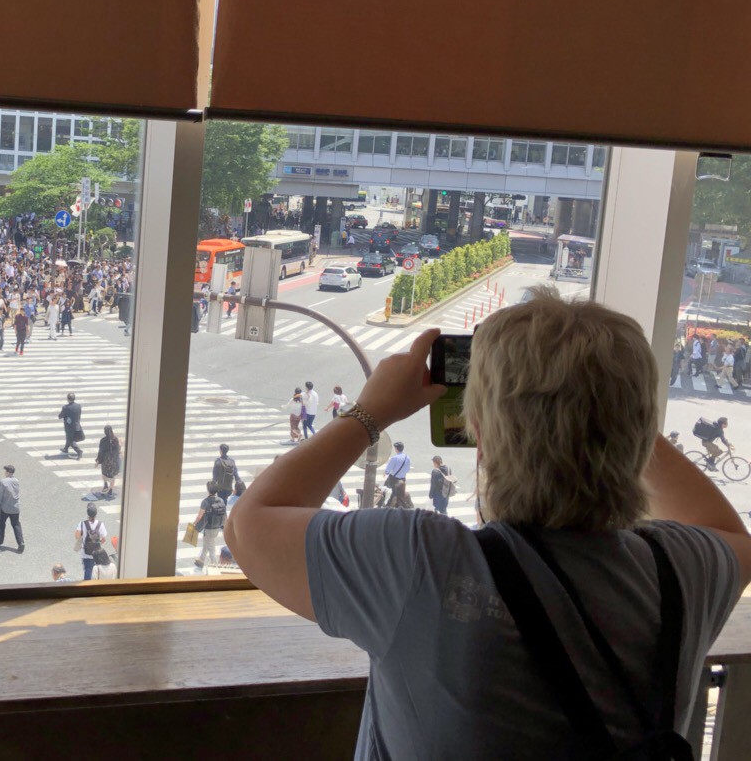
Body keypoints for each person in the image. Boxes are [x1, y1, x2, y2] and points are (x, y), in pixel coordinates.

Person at [226, 291, 751, 759]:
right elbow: (728, 533)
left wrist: (370, 412)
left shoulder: (421, 563)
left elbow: (249, 525)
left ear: (478, 432)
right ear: (640, 427)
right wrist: (609, 412)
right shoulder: (680, 572)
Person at [193, 480, 226, 569]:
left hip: (208, 528)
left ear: (208, 490)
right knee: (207, 544)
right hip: (217, 527)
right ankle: (201, 560)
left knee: (211, 548)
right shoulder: (221, 500)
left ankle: (215, 566)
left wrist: (194, 524)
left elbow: (200, 516)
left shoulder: (205, 501)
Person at [0, 464, 24, 552]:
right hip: (16, 508)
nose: (4, 473)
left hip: (5, 508)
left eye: (5, 471)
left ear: (8, 472)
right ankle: (21, 542)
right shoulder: (17, 481)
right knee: (16, 525)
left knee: (2, 524)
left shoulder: (3, 482)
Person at [75, 502, 107, 580]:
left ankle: (87, 586)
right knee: (96, 571)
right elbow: (104, 539)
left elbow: (77, 537)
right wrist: (97, 544)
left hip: (85, 552)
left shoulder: (82, 524)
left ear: (87, 513)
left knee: (88, 570)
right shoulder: (100, 524)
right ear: (96, 514)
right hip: (97, 552)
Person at [383, 441, 412, 509]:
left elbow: (389, 468)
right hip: (402, 479)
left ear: (396, 449)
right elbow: (408, 469)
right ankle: (399, 504)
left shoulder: (394, 458)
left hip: (394, 479)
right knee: (401, 492)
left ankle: (390, 505)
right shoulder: (407, 457)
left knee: (394, 493)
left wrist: (386, 473)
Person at [94, 424, 121, 498]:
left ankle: (105, 484)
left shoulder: (103, 440)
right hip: (114, 461)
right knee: (112, 476)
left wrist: (98, 461)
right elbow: (118, 450)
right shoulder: (115, 439)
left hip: (106, 461)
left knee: (104, 473)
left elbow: (101, 452)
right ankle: (110, 490)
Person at [59, 392, 83, 459]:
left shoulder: (65, 407)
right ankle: (66, 448)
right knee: (69, 437)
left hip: (69, 426)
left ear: (68, 399)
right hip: (77, 424)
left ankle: (78, 451)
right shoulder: (78, 406)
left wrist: (60, 416)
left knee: (71, 440)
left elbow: (60, 416)